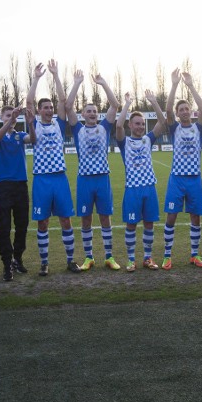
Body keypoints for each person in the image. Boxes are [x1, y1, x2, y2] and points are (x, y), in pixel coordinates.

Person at [26, 60, 81, 276]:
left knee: (65, 220)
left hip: (59, 178)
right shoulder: (34, 124)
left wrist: (56, 75)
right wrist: (36, 79)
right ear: (39, 111)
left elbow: (64, 102)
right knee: (43, 222)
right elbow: (29, 100)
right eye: (45, 107)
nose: (49, 110)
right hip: (41, 179)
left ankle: (70, 260)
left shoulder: (59, 123)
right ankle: (44, 262)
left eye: (50, 107)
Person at [64, 69, 122, 271]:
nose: (92, 113)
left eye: (95, 111)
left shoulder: (105, 127)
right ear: (83, 114)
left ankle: (109, 256)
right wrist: (77, 83)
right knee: (86, 218)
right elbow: (68, 106)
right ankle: (89, 257)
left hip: (102, 179)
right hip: (85, 180)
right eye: (88, 111)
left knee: (105, 217)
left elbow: (115, 105)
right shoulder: (78, 129)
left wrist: (104, 83)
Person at [162, 68, 202, 269]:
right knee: (171, 217)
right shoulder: (175, 128)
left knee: (195, 217)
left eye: (186, 108)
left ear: (190, 111)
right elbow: (168, 110)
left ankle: (194, 255)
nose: (184, 111)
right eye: (181, 110)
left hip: (194, 179)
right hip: (177, 179)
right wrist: (173, 85)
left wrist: (190, 85)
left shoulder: (199, 127)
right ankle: (166, 255)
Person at [116, 90, 167, 272]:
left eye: (142, 124)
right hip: (132, 189)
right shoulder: (124, 142)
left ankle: (147, 257)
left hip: (149, 188)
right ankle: (131, 259)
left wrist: (154, 102)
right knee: (131, 225)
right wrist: (127, 104)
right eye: (137, 124)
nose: (140, 127)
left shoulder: (148, 140)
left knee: (149, 224)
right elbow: (119, 126)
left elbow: (163, 122)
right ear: (131, 125)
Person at [0, 105, 31, 280]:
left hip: (20, 185)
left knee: (22, 225)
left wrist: (31, 123)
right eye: (7, 115)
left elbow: (33, 139)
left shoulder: (20, 136)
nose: (11, 117)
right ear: (1, 117)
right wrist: (10, 122)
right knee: (4, 227)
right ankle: (7, 264)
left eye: (12, 115)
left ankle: (18, 258)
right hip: (3, 186)